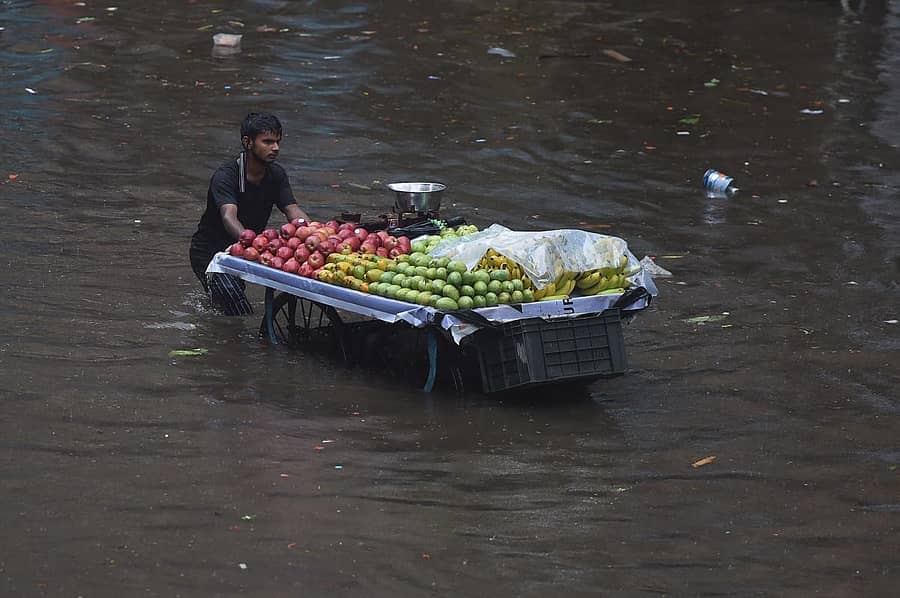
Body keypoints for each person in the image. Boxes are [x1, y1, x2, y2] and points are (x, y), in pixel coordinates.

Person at [189, 112, 310, 315]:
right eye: (268, 142)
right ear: (248, 142)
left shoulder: (276, 175)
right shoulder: (226, 176)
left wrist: (315, 232)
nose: (275, 148)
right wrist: (253, 243)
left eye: (278, 142)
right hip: (212, 253)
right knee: (238, 307)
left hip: (245, 251)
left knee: (230, 300)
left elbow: (293, 210)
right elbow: (229, 217)